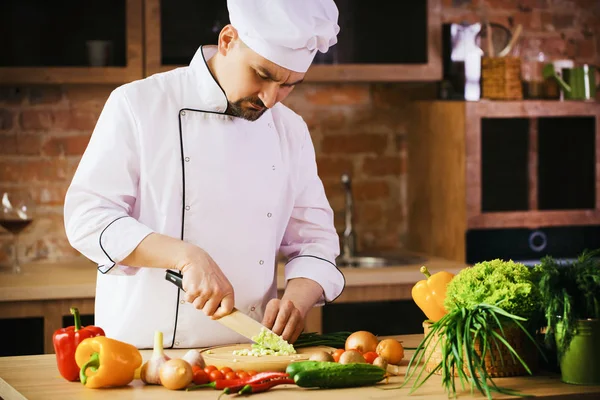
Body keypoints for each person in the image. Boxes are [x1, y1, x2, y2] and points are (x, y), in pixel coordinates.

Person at [63, 0, 345, 349]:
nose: (271, 98)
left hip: (248, 355)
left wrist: (297, 301)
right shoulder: (139, 104)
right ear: (228, 40)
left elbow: (314, 242)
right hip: (139, 354)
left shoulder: (291, 130)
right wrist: (186, 256)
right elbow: (87, 218)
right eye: (263, 74)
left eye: (289, 85)